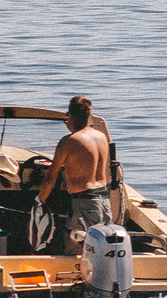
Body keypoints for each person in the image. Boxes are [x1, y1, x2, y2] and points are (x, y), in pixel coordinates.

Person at [43, 95, 116, 254]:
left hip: (83, 203)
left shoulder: (69, 141)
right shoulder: (101, 137)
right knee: (101, 246)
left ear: (70, 116)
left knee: (75, 249)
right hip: (103, 201)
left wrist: (39, 202)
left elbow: (50, 178)